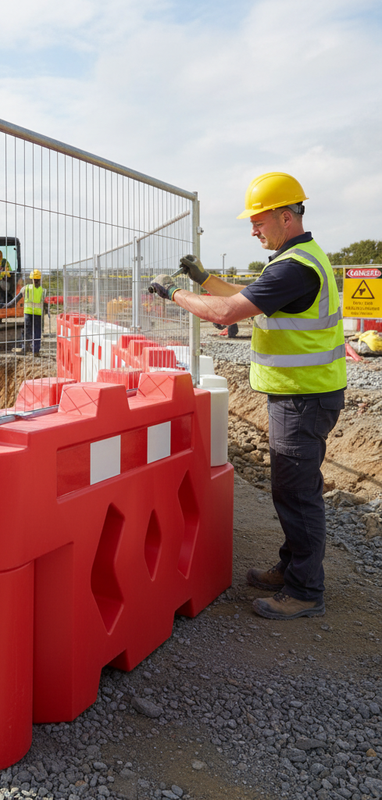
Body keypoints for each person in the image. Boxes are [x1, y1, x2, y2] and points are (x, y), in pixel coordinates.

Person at [150, 172, 346, 621]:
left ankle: (304, 591)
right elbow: (247, 297)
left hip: (303, 397)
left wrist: (174, 292)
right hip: (304, 394)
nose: (253, 230)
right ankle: (292, 567)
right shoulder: (297, 260)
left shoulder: (294, 267)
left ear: (284, 217)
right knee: (293, 488)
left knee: (297, 494)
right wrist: (205, 278)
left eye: (258, 222)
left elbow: (226, 312)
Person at [7, 269, 49, 354]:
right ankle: (35, 351)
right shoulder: (43, 291)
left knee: (27, 331)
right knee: (37, 332)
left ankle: (25, 349)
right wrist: (47, 312)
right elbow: (46, 304)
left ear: (31, 279)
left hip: (28, 314)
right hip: (38, 314)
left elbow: (15, 300)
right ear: (40, 279)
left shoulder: (26, 288)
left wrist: (7, 305)